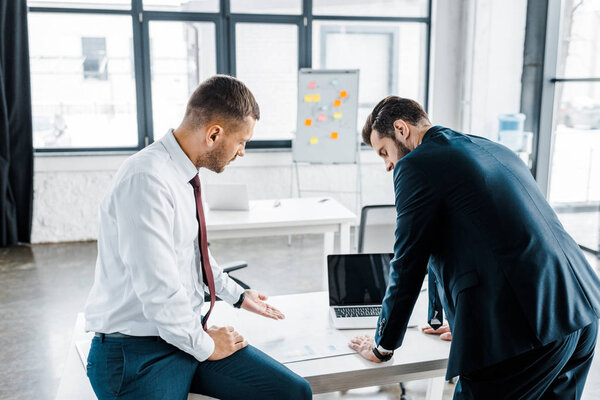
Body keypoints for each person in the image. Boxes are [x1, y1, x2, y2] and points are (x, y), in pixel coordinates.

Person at [349, 96, 600, 399]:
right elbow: (488, 241)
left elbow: (408, 262)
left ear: (401, 129)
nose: (388, 165)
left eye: (384, 152)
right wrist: (456, 319)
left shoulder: (416, 165)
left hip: (524, 328)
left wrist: (383, 346)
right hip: (579, 308)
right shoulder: (490, 148)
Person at [84, 75, 312, 400]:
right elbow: (158, 290)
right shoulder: (147, 180)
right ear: (214, 134)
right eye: (241, 142)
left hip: (180, 334)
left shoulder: (183, 173)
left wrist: (238, 295)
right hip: (135, 353)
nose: (242, 152)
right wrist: (205, 345)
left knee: (293, 392)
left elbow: (193, 258)